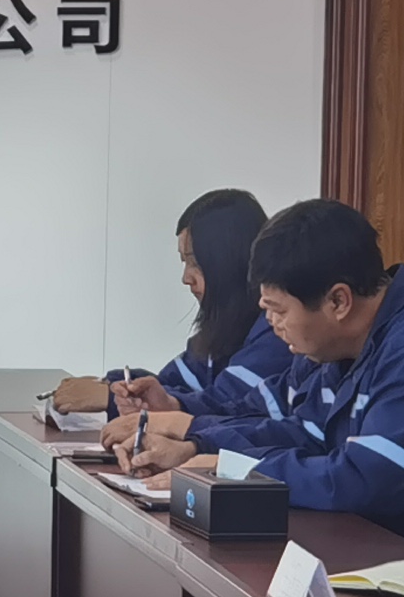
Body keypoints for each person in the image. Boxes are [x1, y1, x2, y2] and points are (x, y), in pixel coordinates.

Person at [127, 196, 404, 534]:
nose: (271, 324)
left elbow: (365, 480)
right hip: (403, 544)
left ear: (338, 301)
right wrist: (199, 446)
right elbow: (304, 431)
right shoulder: (336, 345)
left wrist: (229, 467)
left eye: (279, 311)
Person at [106, 188, 294, 439]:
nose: (186, 278)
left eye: (194, 263)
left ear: (228, 262)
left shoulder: (277, 334)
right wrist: (117, 387)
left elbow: (230, 405)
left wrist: (105, 399)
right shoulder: (223, 328)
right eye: (184, 262)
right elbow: (170, 384)